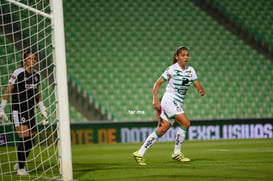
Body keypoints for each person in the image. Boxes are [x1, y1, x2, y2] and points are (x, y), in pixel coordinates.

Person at [133, 46, 205, 165]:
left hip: (177, 102)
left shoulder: (190, 70)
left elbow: (197, 83)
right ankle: (176, 152)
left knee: (162, 129)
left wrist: (200, 90)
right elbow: (157, 83)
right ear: (177, 57)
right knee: (186, 122)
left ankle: (139, 153)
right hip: (169, 100)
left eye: (187, 55)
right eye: (183, 55)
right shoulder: (172, 69)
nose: (186, 57)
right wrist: (155, 99)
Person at [0, 51, 48, 176]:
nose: (33, 60)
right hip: (18, 110)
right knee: (25, 139)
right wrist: (2, 108)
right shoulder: (18, 73)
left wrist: (42, 109)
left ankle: (19, 162)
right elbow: (9, 89)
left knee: (31, 140)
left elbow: (37, 93)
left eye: (34, 58)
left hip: (30, 111)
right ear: (24, 60)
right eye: (30, 58)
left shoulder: (36, 75)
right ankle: (21, 168)